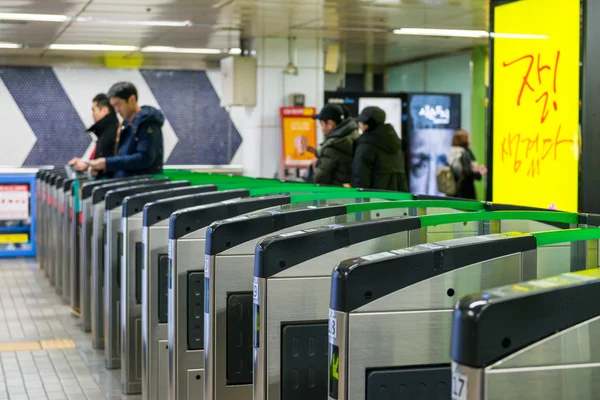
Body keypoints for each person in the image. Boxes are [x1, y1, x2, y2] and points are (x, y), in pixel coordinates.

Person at [84, 82, 164, 178]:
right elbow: (123, 159)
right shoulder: (126, 125)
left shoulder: (148, 123)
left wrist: (107, 163)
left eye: (118, 105)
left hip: (141, 186)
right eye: (113, 106)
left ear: (132, 100)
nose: (116, 110)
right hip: (125, 184)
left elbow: (144, 158)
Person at [352, 106, 408, 191]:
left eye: (361, 122)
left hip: (376, 199)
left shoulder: (365, 146)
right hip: (399, 198)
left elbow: (360, 178)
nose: (359, 125)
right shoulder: (395, 144)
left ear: (367, 124)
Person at [69, 94, 119, 178]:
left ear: (104, 110)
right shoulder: (103, 133)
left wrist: (87, 166)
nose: (92, 114)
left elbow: (104, 165)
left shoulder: (111, 134)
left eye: (94, 110)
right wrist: (83, 162)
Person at [307, 104, 359, 185]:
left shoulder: (334, 145)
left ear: (330, 124)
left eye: (322, 124)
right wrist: (315, 151)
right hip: (349, 190)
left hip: (335, 194)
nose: (322, 129)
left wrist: (315, 165)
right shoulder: (352, 135)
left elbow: (320, 179)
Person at [446, 129, 487, 199]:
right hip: (465, 191)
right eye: (468, 137)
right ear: (464, 140)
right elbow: (467, 172)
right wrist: (479, 173)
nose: (470, 139)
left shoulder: (452, 152)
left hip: (452, 190)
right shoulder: (464, 153)